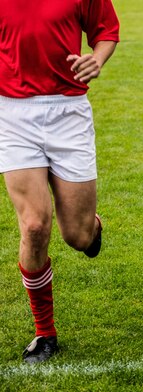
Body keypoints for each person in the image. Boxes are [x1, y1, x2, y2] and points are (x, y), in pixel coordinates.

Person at [0, 1, 120, 363]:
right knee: (34, 225)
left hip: (69, 111)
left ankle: (91, 227)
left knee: (77, 236)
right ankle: (45, 333)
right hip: (13, 113)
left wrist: (97, 59)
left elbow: (106, 32)